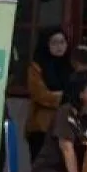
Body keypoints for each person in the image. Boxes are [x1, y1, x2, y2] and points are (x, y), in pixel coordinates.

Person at [25, 27, 71, 163]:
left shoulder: (71, 66)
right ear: (45, 44)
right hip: (42, 126)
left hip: (66, 126)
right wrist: (66, 96)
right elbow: (41, 95)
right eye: (54, 43)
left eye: (62, 42)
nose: (59, 47)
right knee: (41, 166)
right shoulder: (36, 67)